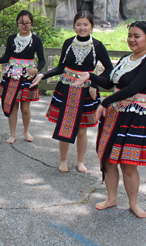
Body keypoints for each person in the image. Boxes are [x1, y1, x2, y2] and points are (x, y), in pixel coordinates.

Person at [72, 21, 146, 218]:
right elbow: (110, 82)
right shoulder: (127, 58)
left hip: (135, 116)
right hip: (116, 113)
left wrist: (105, 102)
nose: (132, 40)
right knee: (108, 158)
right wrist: (89, 76)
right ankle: (112, 198)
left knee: (127, 163)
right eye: (130, 36)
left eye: (137, 36)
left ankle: (133, 203)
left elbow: (132, 89)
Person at [30, 11, 113, 172]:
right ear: (74, 26)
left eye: (85, 24)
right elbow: (61, 67)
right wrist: (42, 74)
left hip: (86, 91)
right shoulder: (68, 43)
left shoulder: (98, 46)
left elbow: (109, 69)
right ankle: (63, 160)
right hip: (67, 89)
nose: (82, 28)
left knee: (82, 129)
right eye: (78, 24)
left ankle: (80, 161)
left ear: (92, 26)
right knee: (64, 126)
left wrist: (95, 84)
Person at [0, 10, 46, 144]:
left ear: (31, 23)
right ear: (17, 24)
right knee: (12, 105)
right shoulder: (11, 38)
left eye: (27, 23)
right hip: (12, 75)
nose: (24, 26)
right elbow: (6, 57)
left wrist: (37, 69)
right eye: (21, 23)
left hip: (27, 76)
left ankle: (26, 131)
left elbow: (42, 60)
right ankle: (12, 134)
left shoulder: (36, 40)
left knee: (25, 108)